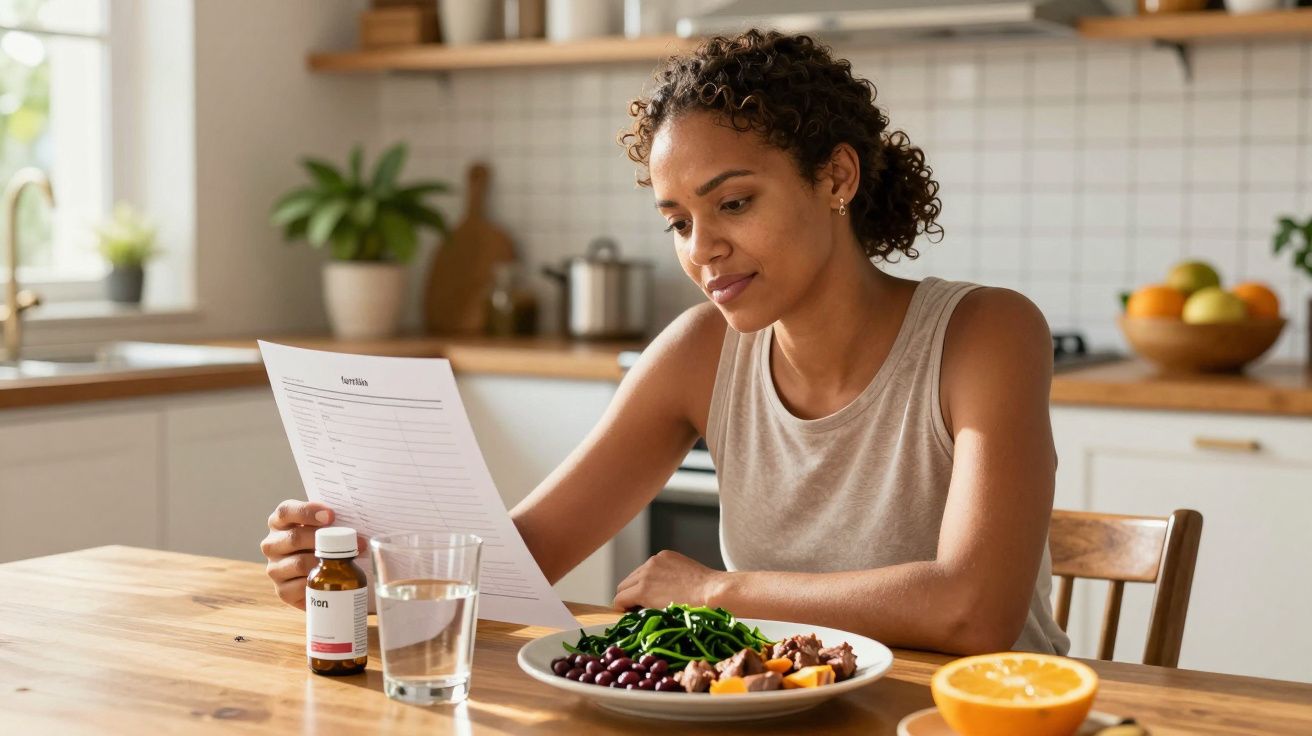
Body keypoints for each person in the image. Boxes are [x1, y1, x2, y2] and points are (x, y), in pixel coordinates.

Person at [262, 30, 1068, 655]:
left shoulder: (985, 334)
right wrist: (359, 569)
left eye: (736, 203)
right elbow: (522, 557)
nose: (701, 249)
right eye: (679, 221)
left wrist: (719, 592)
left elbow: (975, 611)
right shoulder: (700, 351)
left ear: (836, 180)